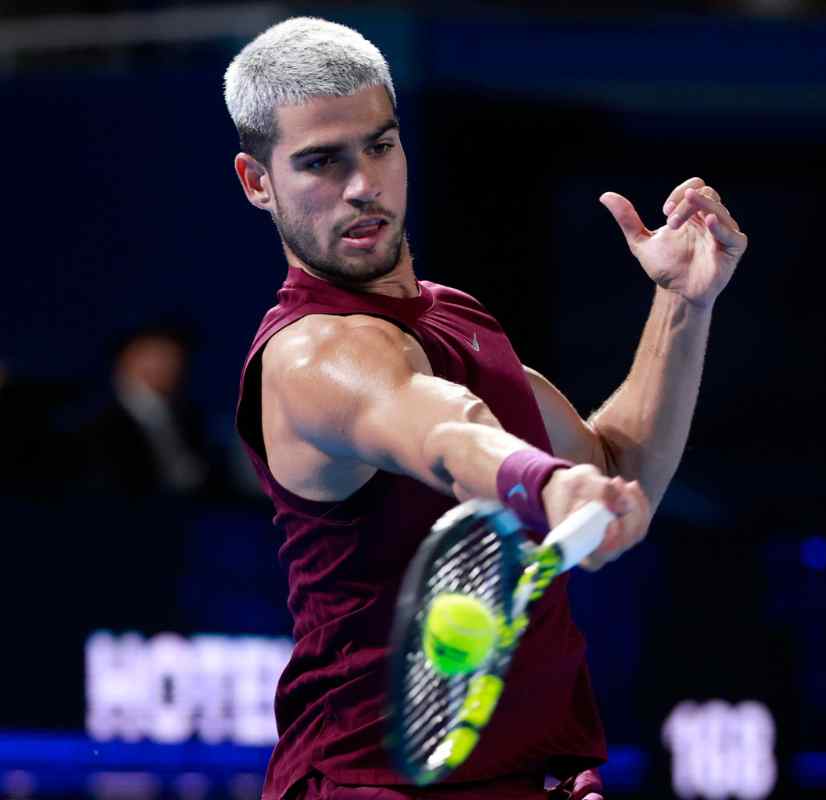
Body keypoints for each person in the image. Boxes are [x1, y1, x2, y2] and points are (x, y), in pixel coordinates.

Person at [224, 17, 748, 800]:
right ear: (257, 181)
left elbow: (614, 466)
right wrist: (543, 486)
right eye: (321, 162)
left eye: (380, 145)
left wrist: (680, 306)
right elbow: (439, 432)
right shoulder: (309, 356)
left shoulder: (455, 317)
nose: (363, 184)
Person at [80, 324, 212, 497]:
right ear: (126, 357)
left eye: (173, 355)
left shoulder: (191, 417)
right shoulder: (96, 419)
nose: (167, 364)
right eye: (155, 355)